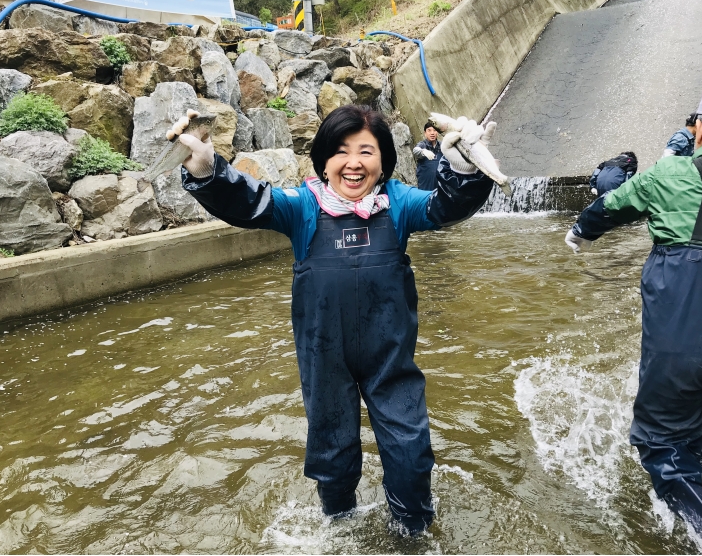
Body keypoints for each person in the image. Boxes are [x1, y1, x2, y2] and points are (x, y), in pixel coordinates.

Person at [178, 105, 495, 534]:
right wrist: (205, 169)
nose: (353, 163)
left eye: (367, 151)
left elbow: (444, 208)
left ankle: (413, 530)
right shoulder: (302, 207)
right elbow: (249, 201)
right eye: (341, 151)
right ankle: (340, 524)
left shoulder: (398, 204)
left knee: (410, 448)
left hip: (390, 360)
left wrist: (460, 170)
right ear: (324, 160)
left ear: (383, 161)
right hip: (324, 359)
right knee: (332, 449)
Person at [565, 79, 702, 553]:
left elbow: (608, 206)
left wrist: (578, 233)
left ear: (700, 129)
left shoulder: (669, 174)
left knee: (663, 447)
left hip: (680, 339)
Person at [412, 122, 444, 191]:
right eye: (429, 130)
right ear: (425, 133)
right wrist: (423, 151)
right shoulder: (422, 145)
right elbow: (415, 150)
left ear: (437, 132)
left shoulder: (442, 146)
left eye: (434, 130)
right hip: (425, 186)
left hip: (440, 186)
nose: (432, 133)